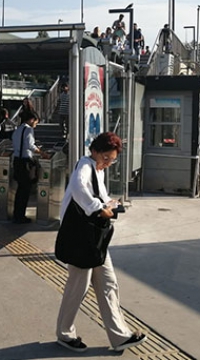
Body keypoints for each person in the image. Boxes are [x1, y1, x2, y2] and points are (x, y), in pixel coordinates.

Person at [56, 132, 146, 353]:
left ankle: (120, 336)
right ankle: (64, 334)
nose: (107, 163)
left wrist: (109, 204)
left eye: (112, 160)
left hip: (94, 238)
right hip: (80, 238)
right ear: (94, 151)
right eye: (105, 157)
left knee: (108, 283)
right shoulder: (85, 166)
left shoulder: (96, 170)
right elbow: (79, 188)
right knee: (78, 287)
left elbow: (100, 196)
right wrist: (97, 208)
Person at [12, 110, 48, 224]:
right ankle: (20, 216)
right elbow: (30, 145)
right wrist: (41, 152)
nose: (35, 125)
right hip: (25, 162)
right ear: (32, 120)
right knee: (25, 190)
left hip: (17, 160)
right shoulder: (28, 130)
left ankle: (17, 214)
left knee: (20, 190)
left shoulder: (17, 130)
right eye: (36, 122)